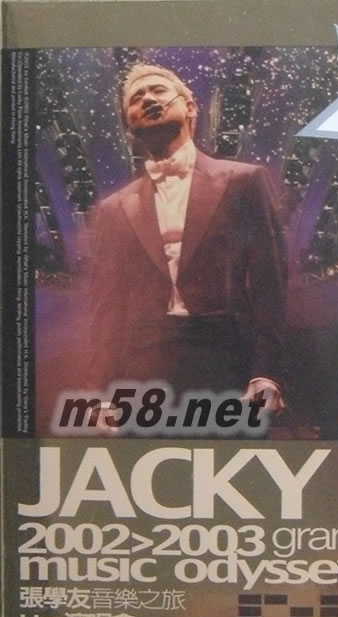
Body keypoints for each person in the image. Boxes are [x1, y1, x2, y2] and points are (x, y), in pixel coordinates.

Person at [86, 63, 286, 420]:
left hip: (228, 362)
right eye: (136, 98)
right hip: (143, 372)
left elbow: (268, 283)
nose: (148, 99)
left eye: (159, 90)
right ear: (129, 125)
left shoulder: (244, 182)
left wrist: (266, 372)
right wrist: (102, 394)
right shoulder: (113, 210)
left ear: (190, 106)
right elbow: (108, 310)